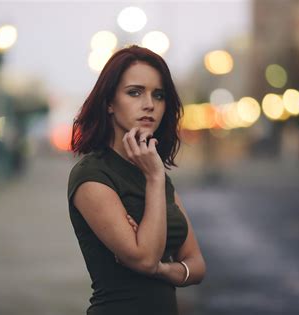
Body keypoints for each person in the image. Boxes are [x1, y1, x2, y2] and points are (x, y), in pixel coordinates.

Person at [67, 45, 206, 315]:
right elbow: (144, 259)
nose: (149, 105)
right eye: (135, 92)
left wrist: (164, 269)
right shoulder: (92, 175)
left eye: (159, 95)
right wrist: (154, 179)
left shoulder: (155, 172)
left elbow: (198, 265)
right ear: (109, 102)